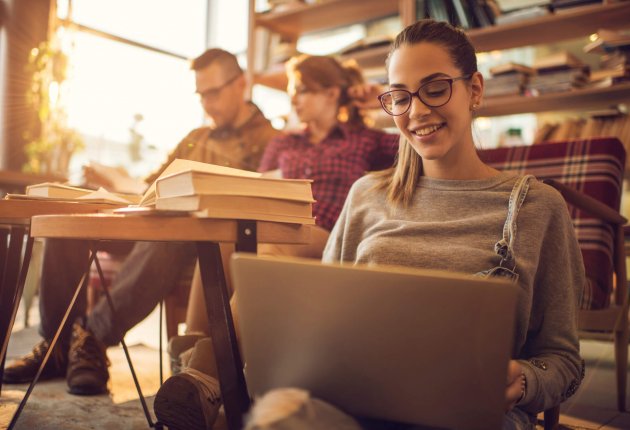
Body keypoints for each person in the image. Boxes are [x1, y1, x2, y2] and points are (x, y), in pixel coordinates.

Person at [242, 19, 586, 430]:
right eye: (400, 97)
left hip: (469, 418)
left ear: (474, 90)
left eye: (436, 89)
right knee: (276, 418)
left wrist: (525, 380)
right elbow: (321, 331)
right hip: (357, 404)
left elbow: (563, 361)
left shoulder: (537, 207)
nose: (417, 111)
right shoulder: (366, 196)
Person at [3, 48, 278, 396]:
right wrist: (119, 182)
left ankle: (90, 340)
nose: (207, 103)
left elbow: (255, 204)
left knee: (170, 232)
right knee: (73, 215)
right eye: (200, 94)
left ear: (241, 84)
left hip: (203, 237)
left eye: (214, 93)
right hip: (153, 220)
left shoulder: (272, 141)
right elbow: (152, 184)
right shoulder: (196, 135)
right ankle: (59, 346)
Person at [152, 54, 399, 430]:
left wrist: (384, 97)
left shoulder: (366, 140)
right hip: (273, 226)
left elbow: (417, 145)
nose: (294, 99)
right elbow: (258, 188)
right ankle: (191, 370)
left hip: (325, 235)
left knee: (270, 248)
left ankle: (203, 371)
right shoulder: (284, 142)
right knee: (218, 241)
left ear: (332, 92)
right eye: (291, 92)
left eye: (302, 90)